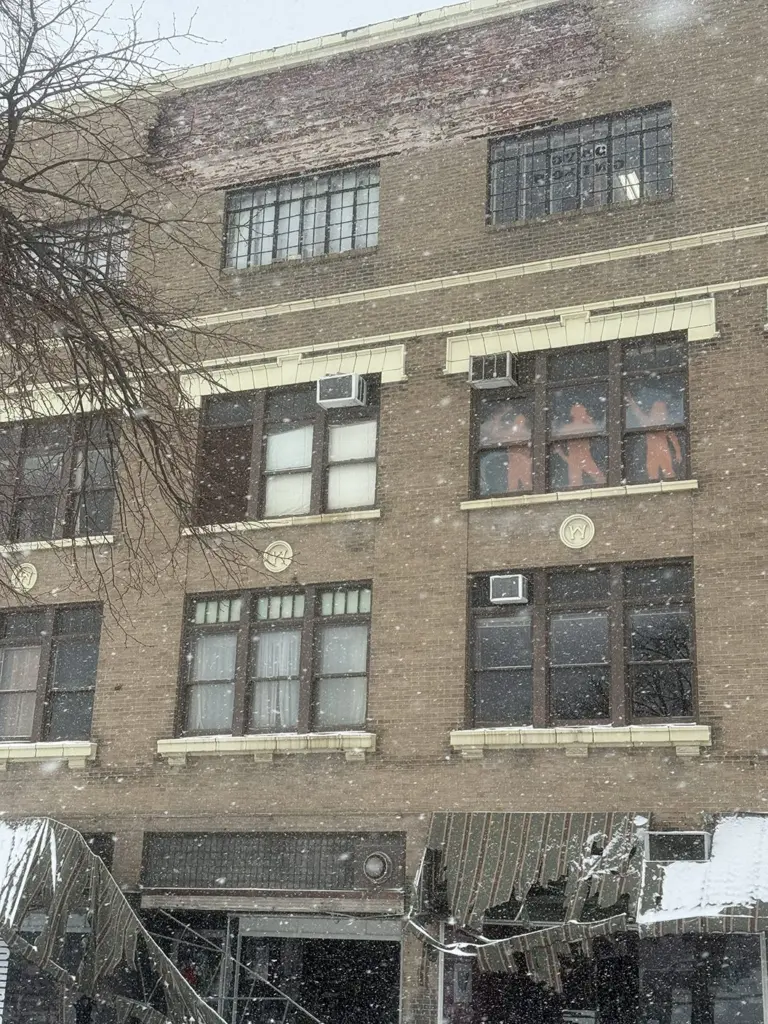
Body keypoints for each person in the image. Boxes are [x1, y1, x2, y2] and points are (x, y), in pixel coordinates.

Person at [626, 395, 682, 480]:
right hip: (652, 453)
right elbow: (638, 413)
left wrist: (678, 452)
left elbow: (674, 439)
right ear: (652, 412)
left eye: (662, 411)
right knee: (652, 473)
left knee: (668, 472)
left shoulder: (665, 426)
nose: (659, 413)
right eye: (657, 410)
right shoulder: (648, 422)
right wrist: (631, 402)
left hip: (664, 453)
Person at [552, 403, 606, 488]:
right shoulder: (575, 428)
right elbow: (598, 431)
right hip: (579, 458)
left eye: (583, 411)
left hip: (582, 457)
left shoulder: (569, 428)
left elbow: (555, 436)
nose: (584, 413)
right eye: (582, 411)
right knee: (578, 483)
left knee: (578, 483)